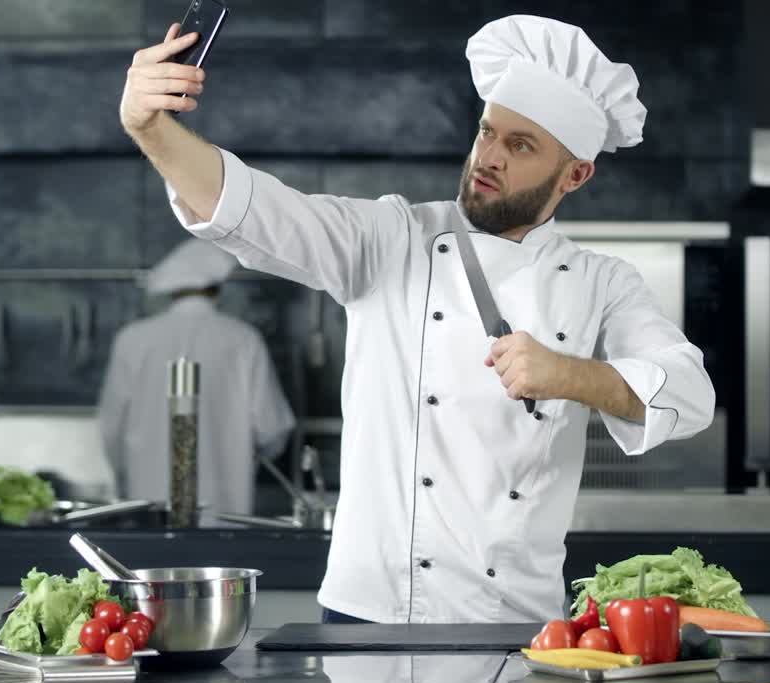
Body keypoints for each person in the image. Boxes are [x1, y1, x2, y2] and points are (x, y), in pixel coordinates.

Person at [119, 14, 715, 622]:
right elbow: (256, 211)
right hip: (367, 614)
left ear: (576, 174)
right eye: (487, 132)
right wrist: (151, 129)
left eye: (521, 145)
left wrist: (568, 375)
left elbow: (690, 394)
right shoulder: (392, 238)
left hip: (511, 624)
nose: (489, 157)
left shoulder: (601, 282)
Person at [97, 239, 296, 515]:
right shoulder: (243, 340)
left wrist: (125, 473)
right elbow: (272, 426)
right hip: (224, 508)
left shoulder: (132, 339)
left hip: (149, 504)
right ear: (217, 288)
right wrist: (242, 457)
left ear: (172, 292)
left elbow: (110, 427)